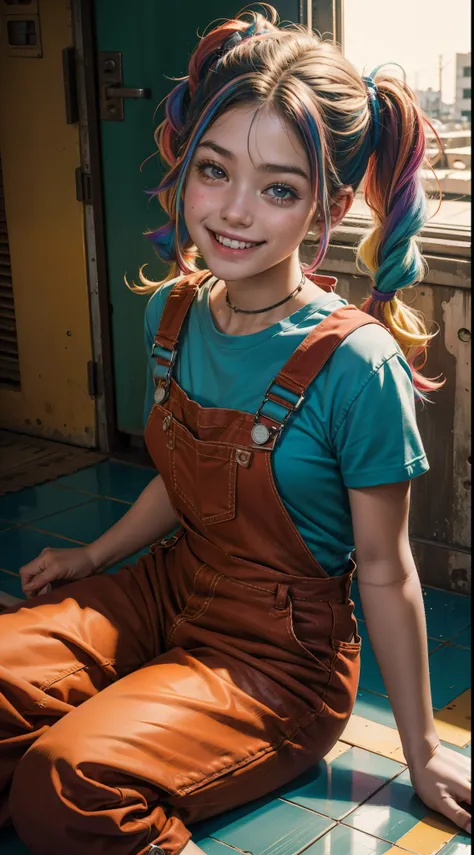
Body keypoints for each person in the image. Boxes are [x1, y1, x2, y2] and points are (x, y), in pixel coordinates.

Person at [0, 7, 470, 855]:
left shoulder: (359, 366)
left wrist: (423, 748)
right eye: (215, 170)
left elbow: (387, 571)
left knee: (66, 782)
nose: (234, 212)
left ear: (326, 204)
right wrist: (94, 557)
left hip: (280, 660)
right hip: (166, 588)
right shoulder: (170, 312)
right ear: (186, 165)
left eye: (280, 188)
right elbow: (181, 481)